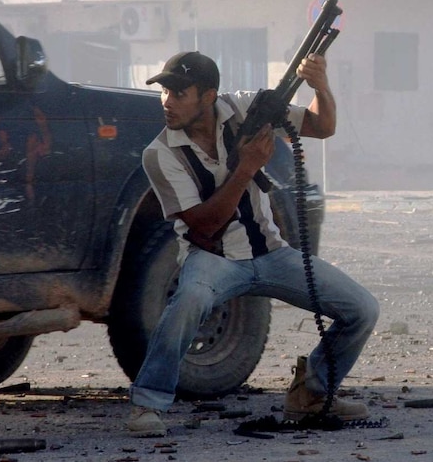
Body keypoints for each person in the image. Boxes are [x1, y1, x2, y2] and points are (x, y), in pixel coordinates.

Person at [127, 51, 380, 437]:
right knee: (188, 302)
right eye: (164, 91)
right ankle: (148, 404)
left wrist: (320, 84)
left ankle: (311, 393)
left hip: (271, 252)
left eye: (179, 92)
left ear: (208, 95)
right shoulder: (159, 155)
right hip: (213, 259)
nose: (167, 101)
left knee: (362, 308)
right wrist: (246, 167)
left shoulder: (246, 109)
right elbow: (206, 226)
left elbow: (322, 126)